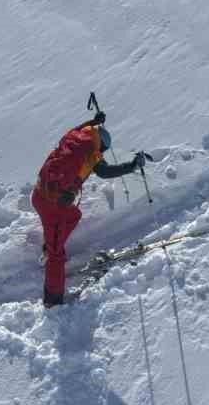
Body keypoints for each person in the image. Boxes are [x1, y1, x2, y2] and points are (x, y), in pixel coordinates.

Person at [33, 114, 146, 306]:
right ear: (101, 145)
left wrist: (93, 121)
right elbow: (105, 172)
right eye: (103, 150)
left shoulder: (75, 135)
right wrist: (132, 166)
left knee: (74, 215)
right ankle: (52, 300)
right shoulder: (91, 151)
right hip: (54, 206)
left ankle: (49, 247)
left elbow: (80, 127)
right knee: (57, 256)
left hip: (39, 193)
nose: (101, 154)